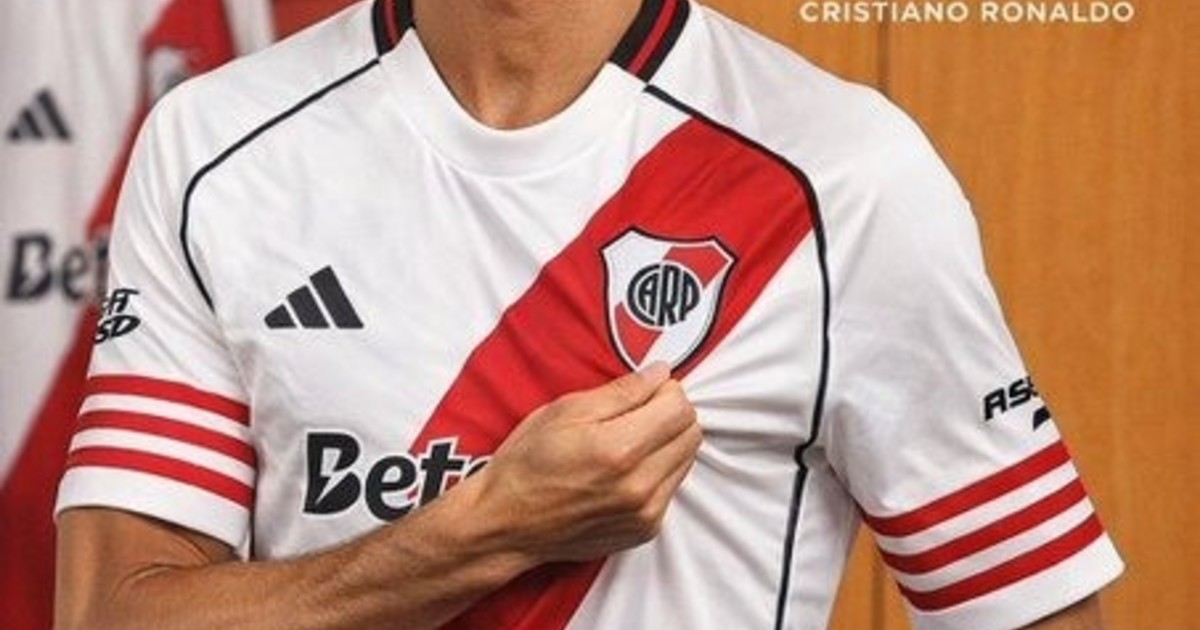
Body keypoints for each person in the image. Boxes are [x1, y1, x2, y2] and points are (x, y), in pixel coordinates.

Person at [53, 0, 1123, 628]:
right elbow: (114, 614)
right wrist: (488, 529)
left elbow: (1033, 605)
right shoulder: (212, 148)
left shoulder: (841, 176)